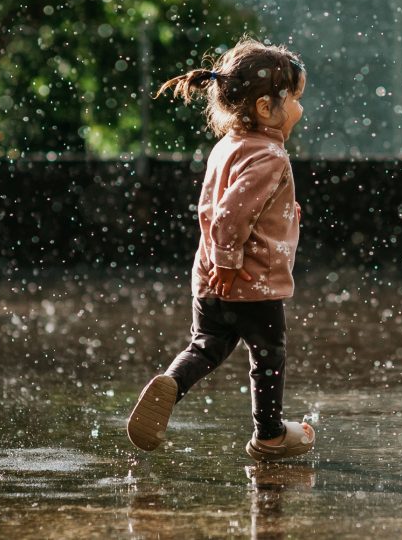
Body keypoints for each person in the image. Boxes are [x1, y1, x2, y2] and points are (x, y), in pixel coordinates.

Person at [126, 37, 315, 462]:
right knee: (268, 356)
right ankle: (269, 434)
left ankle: (173, 384)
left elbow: (224, 204)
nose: (301, 109)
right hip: (253, 281)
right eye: (296, 100)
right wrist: (230, 263)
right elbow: (231, 215)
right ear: (267, 108)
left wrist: (283, 210)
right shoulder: (270, 155)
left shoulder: (227, 146)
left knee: (207, 344)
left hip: (208, 278)